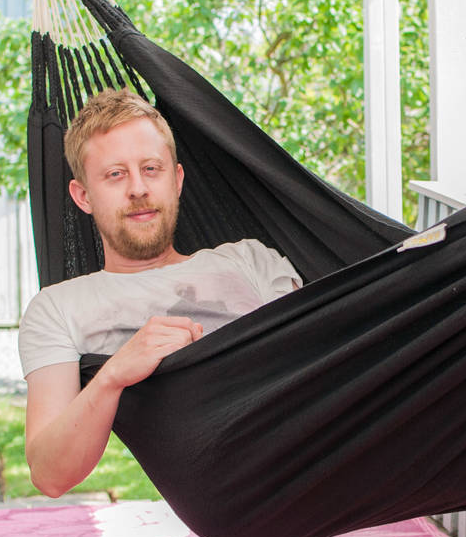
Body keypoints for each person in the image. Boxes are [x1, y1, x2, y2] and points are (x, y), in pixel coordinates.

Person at [18, 89, 301, 497]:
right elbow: (49, 475)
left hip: (310, 455)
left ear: (177, 179)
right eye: (115, 174)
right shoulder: (58, 308)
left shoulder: (250, 260)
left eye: (151, 168)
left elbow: (317, 351)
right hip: (228, 499)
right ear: (83, 196)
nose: (138, 188)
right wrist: (113, 375)